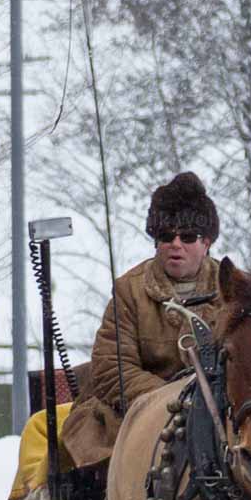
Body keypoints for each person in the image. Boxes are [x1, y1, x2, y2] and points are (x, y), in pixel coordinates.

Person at [56, 172, 228, 469]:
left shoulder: (234, 290)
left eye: (187, 237)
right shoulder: (129, 290)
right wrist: (171, 399)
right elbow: (112, 368)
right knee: (93, 461)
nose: (176, 244)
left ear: (207, 243)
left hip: (218, 412)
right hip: (136, 412)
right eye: (165, 236)